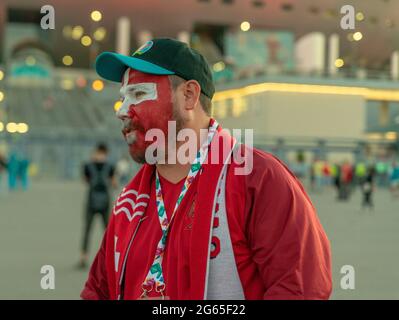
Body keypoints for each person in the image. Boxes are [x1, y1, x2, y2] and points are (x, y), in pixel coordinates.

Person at [81, 38, 332, 300]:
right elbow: (97, 291)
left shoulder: (258, 179)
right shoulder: (128, 203)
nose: (121, 110)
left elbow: (299, 289)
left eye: (139, 94)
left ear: (189, 95)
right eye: (123, 98)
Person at [78, 143, 116, 269]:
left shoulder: (88, 166)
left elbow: (85, 180)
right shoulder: (110, 167)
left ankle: (84, 257)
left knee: (89, 230)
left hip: (92, 200)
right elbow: (114, 183)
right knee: (107, 231)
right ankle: (111, 259)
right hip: (104, 201)